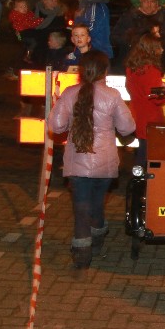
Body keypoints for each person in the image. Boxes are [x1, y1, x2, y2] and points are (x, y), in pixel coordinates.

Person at [46, 50, 136, 268]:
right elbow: (127, 128)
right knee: (97, 202)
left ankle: (82, 250)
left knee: (81, 206)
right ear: (105, 71)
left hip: (77, 160)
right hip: (105, 160)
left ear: (81, 71)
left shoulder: (70, 93)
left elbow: (56, 125)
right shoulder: (112, 95)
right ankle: (97, 237)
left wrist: (70, 124)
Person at [125, 34, 165, 169]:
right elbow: (157, 98)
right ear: (151, 49)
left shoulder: (131, 68)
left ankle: (137, 178)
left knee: (142, 153)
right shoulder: (152, 70)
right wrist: (164, 90)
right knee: (150, 157)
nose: (162, 50)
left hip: (138, 115)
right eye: (159, 47)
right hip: (152, 118)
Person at [111, 0, 165, 66]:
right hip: (132, 63)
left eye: (152, 1)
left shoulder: (163, 19)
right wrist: (133, 39)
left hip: (157, 63)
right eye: (146, 1)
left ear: (157, 2)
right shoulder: (129, 17)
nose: (149, 5)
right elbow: (115, 37)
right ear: (140, 1)